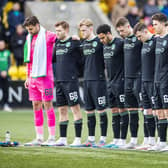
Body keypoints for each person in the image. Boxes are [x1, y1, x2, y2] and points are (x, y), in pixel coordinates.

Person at [23, 16, 57, 146]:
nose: (30, 31)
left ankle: (52, 137)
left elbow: (62, 38)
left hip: (46, 78)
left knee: (47, 105)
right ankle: (39, 138)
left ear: (37, 25)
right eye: (28, 29)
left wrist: (74, 38)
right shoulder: (28, 38)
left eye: (31, 29)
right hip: (33, 78)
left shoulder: (48, 35)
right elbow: (28, 60)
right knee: (36, 106)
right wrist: (27, 76)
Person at [96, 24, 129, 148]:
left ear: (109, 34)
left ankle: (123, 140)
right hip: (110, 83)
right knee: (114, 111)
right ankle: (115, 140)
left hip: (120, 83)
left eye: (103, 38)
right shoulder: (104, 47)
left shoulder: (120, 43)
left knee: (122, 110)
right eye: (100, 38)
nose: (101, 41)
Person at [52, 21, 83, 147]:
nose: (57, 33)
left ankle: (78, 139)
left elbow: (83, 56)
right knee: (62, 110)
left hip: (70, 81)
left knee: (75, 109)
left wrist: (79, 39)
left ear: (66, 30)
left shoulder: (75, 42)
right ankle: (63, 139)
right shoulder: (57, 43)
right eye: (56, 31)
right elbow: (53, 59)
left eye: (59, 31)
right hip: (59, 81)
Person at [78, 18, 108, 147]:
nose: (82, 33)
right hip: (87, 80)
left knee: (101, 110)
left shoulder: (99, 42)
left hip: (98, 80)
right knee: (89, 111)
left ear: (91, 29)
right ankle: (90, 139)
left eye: (84, 30)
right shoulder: (83, 43)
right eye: (81, 31)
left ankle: (103, 138)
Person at [116, 17, 142, 149]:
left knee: (146, 110)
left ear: (128, 27)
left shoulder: (139, 39)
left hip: (139, 79)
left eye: (122, 30)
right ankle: (133, 140)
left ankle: (150, 140)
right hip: (127, 80)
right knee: (132, 111)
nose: (121, 33)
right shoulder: (123, 41)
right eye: (118, 31)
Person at [133, 22, 156, 150]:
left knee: (158, 111)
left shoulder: (156, 41)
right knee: (146, 110)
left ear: (145, 31)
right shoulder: (144, 43)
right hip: (144, 81)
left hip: (154, 81)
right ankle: (150, 141)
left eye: (139, 36)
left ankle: (161, 141)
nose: (138, 39)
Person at [150, 13, 168, 151]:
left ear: (163, 23)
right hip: (157, 80)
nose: (153, 27)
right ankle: (162, 142)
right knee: (159, 112)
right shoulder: (157, 40)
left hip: (166, 81)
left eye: (155, 24)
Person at [0, 40, 12, 112]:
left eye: (2, 44)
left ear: (4, 45)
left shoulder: (7, 53)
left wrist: (6, 71)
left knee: (5, 90)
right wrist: (0, 72)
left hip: (5, 75)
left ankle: (6, 105)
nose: (1, 45)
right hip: (0, 73)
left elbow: (9, 63)